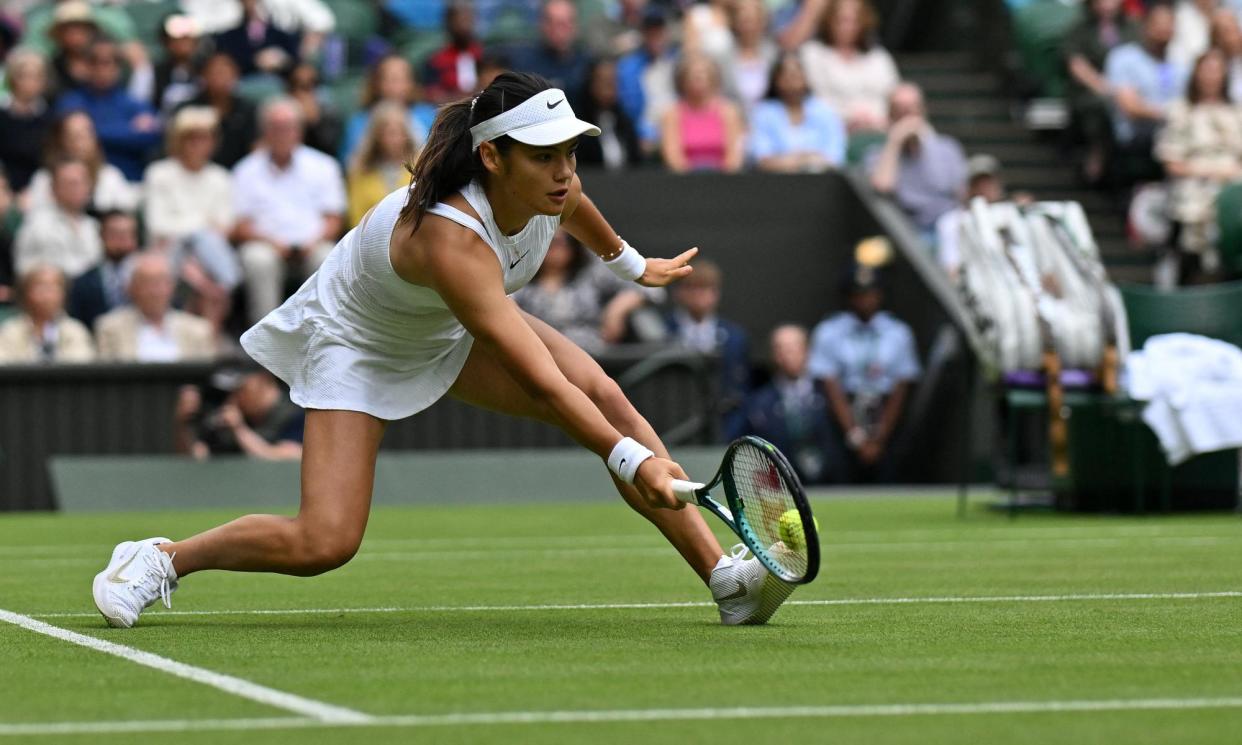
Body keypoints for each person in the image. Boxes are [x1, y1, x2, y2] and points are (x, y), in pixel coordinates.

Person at [91, 71, 794, 630]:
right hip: (359, 340)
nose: (563, 172)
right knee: (324, 542)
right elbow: (547, 385)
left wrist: (631, 265)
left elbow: (579, 209)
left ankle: (725, 580)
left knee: (609, 394)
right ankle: (161, 557)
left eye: (569, 153)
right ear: (491, 156)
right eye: (545, 155)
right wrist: (631, 457)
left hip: (444, 326)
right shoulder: (452, 240)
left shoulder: (553, 183)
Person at [231, 97, 346, 323]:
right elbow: (241, 226)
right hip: (266, 245)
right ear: (264, 131)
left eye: (289, 127)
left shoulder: (324, 166)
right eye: (276, 128)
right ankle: (264, 342)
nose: (283, 134)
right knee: (258, 260)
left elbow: (334, 219)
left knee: (326, 256)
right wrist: (273, 243)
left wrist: (311, 242)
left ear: (299, 131)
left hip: (312, 244)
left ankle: (320, 337)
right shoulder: (246, 170)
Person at [808, 264, 921, 482]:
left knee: (890, 480)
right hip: (845, 415)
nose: (865, 300)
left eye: (871, 294)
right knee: (842, 479)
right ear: (848, 297)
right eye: (858, 295)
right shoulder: (830, 331)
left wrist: (880, 439)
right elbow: (831, 388)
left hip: (885, 415)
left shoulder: (898, 332)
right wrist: (854, 436)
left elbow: (901, 388)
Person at [142, 106, 243, 333]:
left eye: (204, 138)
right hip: (168, 253)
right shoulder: (159, 173)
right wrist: (201, 224)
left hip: (207, 258)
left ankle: (207, 337)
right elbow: (157, 225)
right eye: (191, 138)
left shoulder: (221, 178)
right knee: (199, 252)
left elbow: (225, 227)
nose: (198, 145)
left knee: (206, 250)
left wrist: (189, 227)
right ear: (178, 140)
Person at [1155, 48, 1242, 282]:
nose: (1212, 76)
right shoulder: (1180, 110)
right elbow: (1171, 162)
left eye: (1217, 70)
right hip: (1194, 181)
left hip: (1235, 182)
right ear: (1196, 74)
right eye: (1207, 70)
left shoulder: (1237, 112)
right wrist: (1210, 172)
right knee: (1198, 207)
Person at [513, 229, 658, 353]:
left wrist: (617, 309)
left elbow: (648, 287)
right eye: (547, 242)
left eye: (560, 242)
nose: (553, 249)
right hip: (538, 354)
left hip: (593, 353)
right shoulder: (518, 280)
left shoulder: (591, 274)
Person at [866, 82, 968, 239]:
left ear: (923, 111)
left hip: (945, 228)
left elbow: (959, 194)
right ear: (890, 116)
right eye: (901, 110)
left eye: (914, 108)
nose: (909, 116)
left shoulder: (947, 148)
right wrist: (895, 141)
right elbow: (883, 187)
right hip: (903, 234)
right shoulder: (877, 154)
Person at [666, 259, 751, 441]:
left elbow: (740, 395)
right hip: (675, 429)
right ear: (678, 293)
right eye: (691, 288)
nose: (698, 295)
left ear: (716, 293)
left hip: (722, 430)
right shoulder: (662, 333)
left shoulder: (735, 338)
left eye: (705, 288)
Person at [55, 38, 162, 182]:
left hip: (129, 182)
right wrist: (128, 129)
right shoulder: (71, 101)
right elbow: (65, 136)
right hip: (80, 183)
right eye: (94, 62)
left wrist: (91, 131)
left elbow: (151, 136)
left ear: (118, 67)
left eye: (107, 62)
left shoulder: (133, 102)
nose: (101, 69)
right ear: (85, 66)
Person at [744, 324, 840, 484]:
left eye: (794, 348)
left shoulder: (831, 395)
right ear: (773, 355)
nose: (788, 355)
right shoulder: (759, 403)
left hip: (834, 485)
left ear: (807, 352)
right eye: (781, 349)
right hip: (783, 487)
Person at [1104, 3, 1188, 179]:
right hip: (1139, 139)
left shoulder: (1180, 64)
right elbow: (1130, 107)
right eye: (1159, 23)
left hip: (1177, 137)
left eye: (1169, 24)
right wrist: (1168, 113)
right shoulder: (1124, 57)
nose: (1164, 29)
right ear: (1145, 25)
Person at [1062, 0, 1139, 186]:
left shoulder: (1133, 28)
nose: (1107, 5)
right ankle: (1098, 153)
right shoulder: (1080, 30)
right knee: (1102, 105)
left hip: (1128, 90)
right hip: (1093, 90)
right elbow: (1076, 64)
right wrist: (1104, 87)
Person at [94, 252, 217, 362]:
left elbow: (209, 379)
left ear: (172, 287)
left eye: (161, 282)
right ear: (131, 288)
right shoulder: (109, 328)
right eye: (147, 283)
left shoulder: (199, 330)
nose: (154, 291)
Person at [798, 0, 899, 133]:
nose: (847, 27)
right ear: (829, 21)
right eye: (841, 20)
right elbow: (815, 100)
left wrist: (875, 120)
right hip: (831, 131)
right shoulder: (812, 54)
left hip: (880, 130)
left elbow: (894, 94)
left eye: (854, 20)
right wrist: (851, 118)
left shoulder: (879, 57)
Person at [174, 367, 306, 461]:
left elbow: (285, 459)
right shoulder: (234, 416)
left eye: (240, 390)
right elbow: (197, 457)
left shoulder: (295, 411)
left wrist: (239, 429)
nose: (233, 399)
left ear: (261, 379)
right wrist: (184, 424)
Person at [749, 52, 847, 172]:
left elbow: (835, 157)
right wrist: (801, 161)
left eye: (796, 76)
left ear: (805, 78)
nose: (792, 83)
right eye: (786, 77)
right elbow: (762, 158)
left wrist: (805, 162)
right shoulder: (763, 113)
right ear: (775, 80)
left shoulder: (824, 111)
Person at [27, 111, 140, 214]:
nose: (81, 142)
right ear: (61, 141)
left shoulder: (110, 176)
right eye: (74, 136)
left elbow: (126, 215)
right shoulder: (44, 179)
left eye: (86, 134)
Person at [339, 54, 438, 166]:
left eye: (401, 79)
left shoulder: (427, 116)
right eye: (389, 79)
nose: (395, 86)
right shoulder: (358, 122)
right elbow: (350, 164)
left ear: (412, 83)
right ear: (376, 84)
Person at [14, 158, 101, 280]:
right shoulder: (36, 223)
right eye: (70, 183)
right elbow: (22, 267)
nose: (76, 189)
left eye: (81, 182)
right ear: (53, 188)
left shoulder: (94, 226)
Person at [660, 54, 746, 173]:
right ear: (682, 80)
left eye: (704, 73)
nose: (699, 77)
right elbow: (673, 156)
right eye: (693, 74)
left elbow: (734, 157)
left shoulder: (729, 112)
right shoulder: (672, 114)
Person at [0, 264, 95, 364]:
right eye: (41, 286)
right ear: (25, 292)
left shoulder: (75, 330)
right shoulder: (9, 331)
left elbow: (81, 367)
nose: (47, 293)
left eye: (54, 287)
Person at [179, 52, 259, 169]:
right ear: (204, 76)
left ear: (236, 75)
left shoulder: (248, 110)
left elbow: (255, 148)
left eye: (224, 73)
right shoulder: (188, 109)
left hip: (238, 172)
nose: (219, 78)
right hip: (195, 170)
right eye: (214, 73)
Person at [616, 6, 678, 148]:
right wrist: (644, 133)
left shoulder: (677, 62)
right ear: (643, 34)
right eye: (651, 32)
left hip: (677, 130)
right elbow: (629, 110)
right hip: (645, 136)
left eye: (659, 31)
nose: (656, 37)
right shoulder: (628, 67)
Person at [346, 102, 417, 227]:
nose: (395, 139)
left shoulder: (421, 165)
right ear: (377, 136)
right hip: (372, 239)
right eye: (390, 133)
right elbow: (356, 218)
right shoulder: (360, 170)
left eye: (399, 132)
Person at [505, 0, 592, 102]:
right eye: (551, 23)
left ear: (575, 26)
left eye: (564, 24)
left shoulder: (588, 64)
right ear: (541, 24)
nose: (559, 31)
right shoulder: (521, 62)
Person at [68, 209, 140, 330]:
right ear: (101, 236)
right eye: (114, 234)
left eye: (126, 233)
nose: (121, 239)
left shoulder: (150, 278)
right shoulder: (83, 283)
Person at [0, 47, 54, 195]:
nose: (31, 82)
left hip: (39, 189)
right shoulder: (2, 115)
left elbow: (50, 161)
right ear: (13, 78)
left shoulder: (50, 118)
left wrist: (32, 191)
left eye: (37, 77)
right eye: (25, 76)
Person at [574, 58, 644, 170]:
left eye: (613, 81)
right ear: (590, 83)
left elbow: (636, 161)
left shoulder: (625, 121)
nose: (609, 87)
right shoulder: (578, 125)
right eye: (603, 81)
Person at [422, 0, 483, 104]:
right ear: (449, 23)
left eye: (468, 20)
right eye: (459, 20)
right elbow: (433, 94)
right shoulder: (436, 60)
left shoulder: (483, 55)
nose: (464, 26)